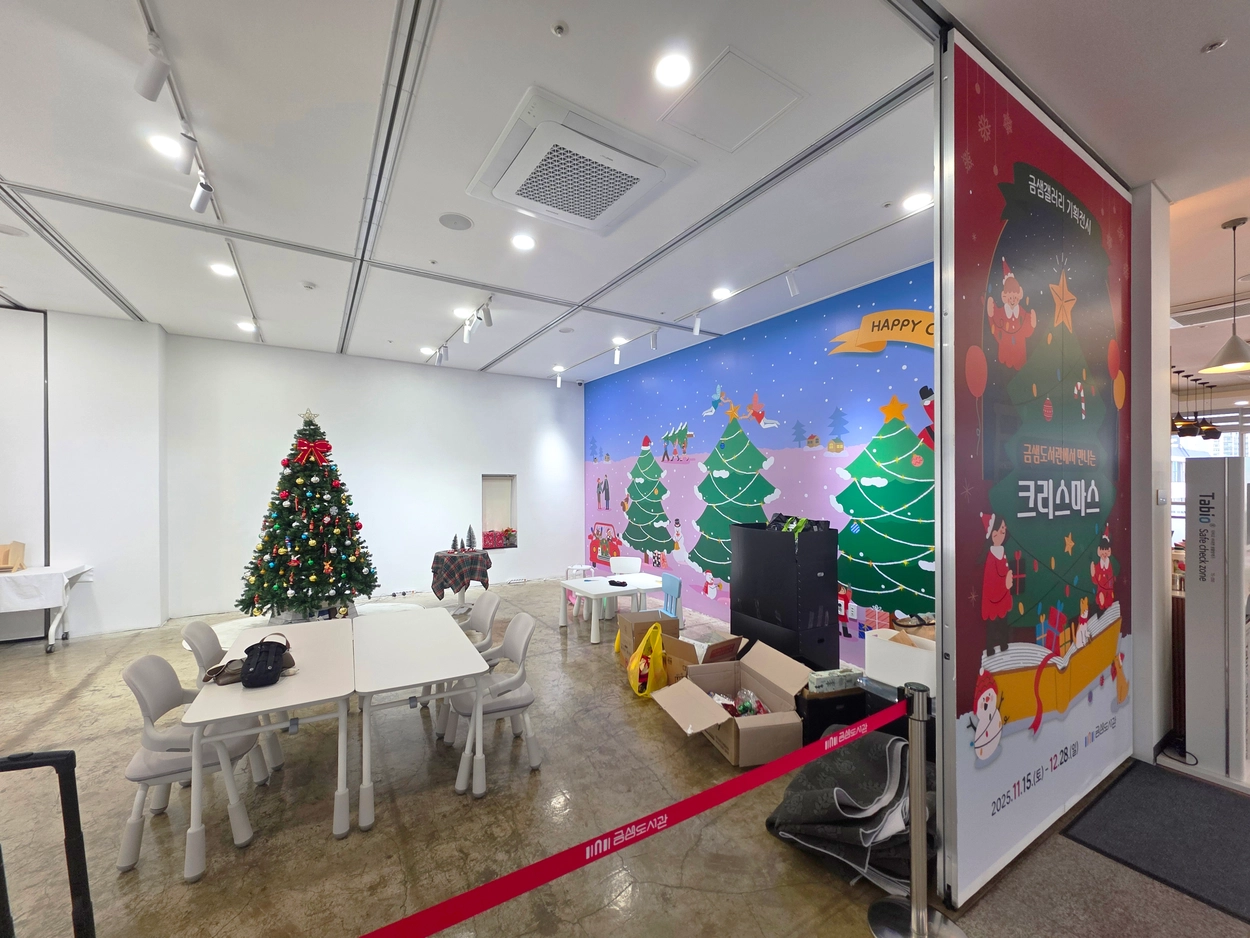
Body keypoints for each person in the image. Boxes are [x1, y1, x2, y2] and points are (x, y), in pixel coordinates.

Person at [986, 259, 1036, 370]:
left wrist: (1032, 322)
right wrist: (991, 312)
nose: (1013, 300)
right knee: (1004, 368)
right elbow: (995, 325)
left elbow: (1027, 331)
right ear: (1004, 296)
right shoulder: (1001, 313)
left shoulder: (1022, 313)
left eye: (1015, 297)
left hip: (1020, 354)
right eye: (1010, 297)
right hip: (1004, 353)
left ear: (1020, 295)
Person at [981, 512, 1013, 620]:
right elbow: (991, 584)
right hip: (994, 604)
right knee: (996, 624)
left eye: (1004, 528)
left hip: (1003, 600)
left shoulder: (1002, 552)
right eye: (1002, 529)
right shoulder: (991, 558)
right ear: (994, 534)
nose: (1004, 530)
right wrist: (1005, 584)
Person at [1090, 535, 1116, 610]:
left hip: (1109, 590)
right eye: (1102, 550)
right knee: (1101, 599)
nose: (1104, 553)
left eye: (1106, 550)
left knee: (1109, 601)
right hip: (1101, 590)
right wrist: (1093, 573)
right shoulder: (1098, 566)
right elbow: (1095, 581)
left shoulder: (1110, 566)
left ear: (1109, 551)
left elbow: (1111, 578)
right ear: (1099, 550)